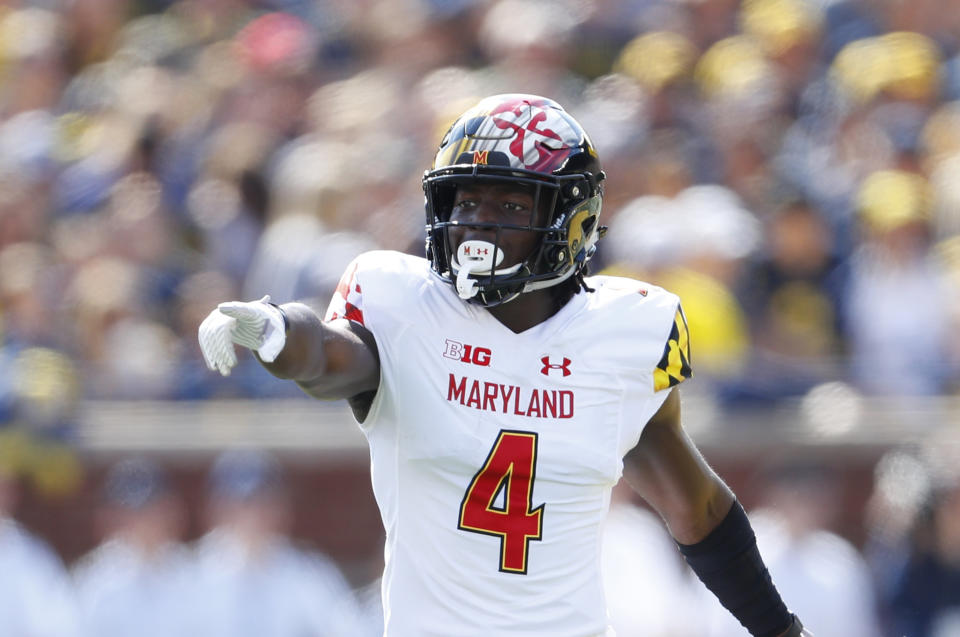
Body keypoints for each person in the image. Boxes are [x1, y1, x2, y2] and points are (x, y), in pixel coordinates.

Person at [198, 94, 810, 637]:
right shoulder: (404, 305)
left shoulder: (626, 332)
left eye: (511, 204)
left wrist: (780, 630)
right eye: (466, 200)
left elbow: (696, 509)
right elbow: (328, 357)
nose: (477, 223)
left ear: (574, 217)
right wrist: (277, 327)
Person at [189, 448, 363, 637]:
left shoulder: (308, 573)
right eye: (240, 505)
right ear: (215, 509)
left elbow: (349, 630)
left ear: (282, 509)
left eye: (263, 503)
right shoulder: (191, 576)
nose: (252, 516)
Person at [72, 457, 194, 637]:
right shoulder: (96, 582)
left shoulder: (193, 575)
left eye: (151, 512)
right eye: (131, 513)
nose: (143, 524)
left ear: (171, 512)